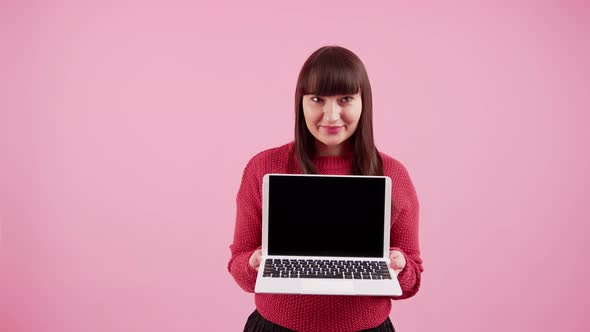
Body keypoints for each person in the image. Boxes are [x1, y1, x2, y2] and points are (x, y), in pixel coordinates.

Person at [227, 45, 423, 332]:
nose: (331, 116)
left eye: (345, 99)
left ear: (363, 102)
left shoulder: (393, 174)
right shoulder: (263, 167)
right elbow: (239, 264)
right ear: (301, 103)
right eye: (318, 99)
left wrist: (399, 264)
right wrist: (255, 263)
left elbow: (412, 279)